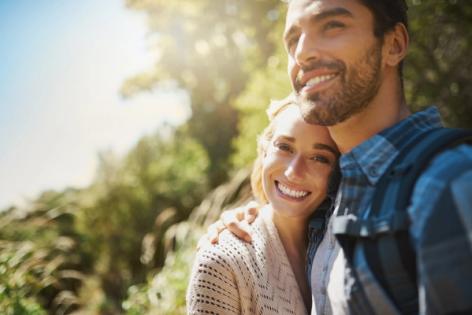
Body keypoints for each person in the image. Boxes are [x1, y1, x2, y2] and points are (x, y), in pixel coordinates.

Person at [207, 0, 472, 314]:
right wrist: (256, 220)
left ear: (394, 44)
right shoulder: (334, 190)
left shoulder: (450, 183)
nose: (302, 53)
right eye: (293, 41)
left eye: (332, 26)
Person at [186, 96, 340, 314]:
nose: (293, 172)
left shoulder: (343, 247)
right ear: (264, 152)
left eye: (319, 158)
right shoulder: (221, 263)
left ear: (337, 172)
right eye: (284, 147)